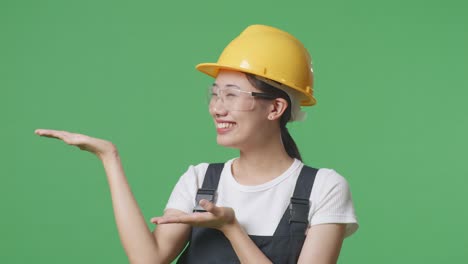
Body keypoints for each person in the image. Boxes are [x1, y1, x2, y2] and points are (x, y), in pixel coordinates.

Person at [35, 24, 358, 264]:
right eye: (215, 94)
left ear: (275, 108)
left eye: (231, 95)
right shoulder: (201, 179)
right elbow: (149, 260)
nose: (217, 108)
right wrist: (110, 158)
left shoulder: (323, 187)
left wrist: (232, 229)